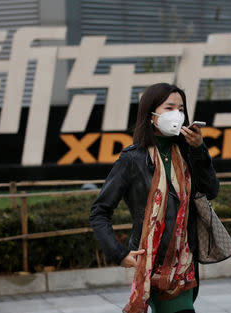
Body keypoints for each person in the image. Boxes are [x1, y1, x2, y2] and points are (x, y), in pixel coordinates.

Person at [89, 83, 219, 313]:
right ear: (151, 114)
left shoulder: (187, 151)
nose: (177, 114)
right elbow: (99, 211)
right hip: (153, 264)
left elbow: (211, 190)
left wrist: (200, 149)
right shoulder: (132, 159)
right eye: (169, 107)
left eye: (181, 109)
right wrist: (118, 253)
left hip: (186, 263)